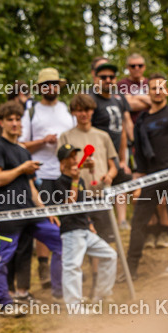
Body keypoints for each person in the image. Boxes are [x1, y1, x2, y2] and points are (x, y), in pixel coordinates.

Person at [0, 101, 64, 307]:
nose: (14, 123)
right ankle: (6, 303)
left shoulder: (23, 151)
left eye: (18, 119)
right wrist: (21, 168)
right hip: (7, 212)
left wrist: (46, 211)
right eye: (9, 119)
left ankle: (60, 293)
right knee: (1, 261)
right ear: (1, 123)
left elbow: (32, 188)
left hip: (31, 210)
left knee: (62, 242)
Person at [127, 74, 168, 279]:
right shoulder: (142, 121)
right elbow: (139, 156)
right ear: (148, 92)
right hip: (150, 178)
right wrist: (138, 183)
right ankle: (130, 271)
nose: (157, 91)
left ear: (166, 91)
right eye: (153, 88)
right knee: (138, 222)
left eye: (161, 88)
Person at [52, 145, 118, 308]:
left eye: (75, 155)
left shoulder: (80, 180)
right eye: (70, 157)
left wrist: (89, 223)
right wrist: (74, 181)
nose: (75, 159)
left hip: (84, 229)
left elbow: (83, 204)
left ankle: (100, 295)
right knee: (72, 267)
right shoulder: (58, 182)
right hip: (71, 230)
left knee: (109, 255)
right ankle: (74, 308)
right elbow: (69, 205)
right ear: (63, 162)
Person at [59, 93, 120, 242]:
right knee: (80, 242)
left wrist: (109, 176)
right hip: (79, 198)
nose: (83, 114)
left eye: (87, 110)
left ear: (92, 110)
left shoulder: (103, 136)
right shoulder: (66, 137)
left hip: (100, 195)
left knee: (105, 240)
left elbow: (113, 166)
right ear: (73, 112)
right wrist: (80, 166)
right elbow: (62, 168)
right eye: (79, 110)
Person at [19, 68, 75, 203]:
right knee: (45, 219)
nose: (50, 88)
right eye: (46, 84)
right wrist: (43, 141)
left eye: (54, 84)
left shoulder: (67, 111)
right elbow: (21, 147)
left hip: (67, 175)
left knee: (68, 217)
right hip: (41, 175)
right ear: (39, 88)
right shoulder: (31, 113)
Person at [90, 58, 133, 227]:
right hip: (98, 154)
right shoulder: (90, 99)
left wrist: (123, 159)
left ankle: (122, 220)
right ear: (95, 77)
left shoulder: (118, 98)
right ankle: (102, 223)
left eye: (111, 77)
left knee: (121, 184)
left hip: (115, 152)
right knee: (100, 187)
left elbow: (122, 130)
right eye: (103, 77)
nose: (108, 80)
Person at [117, 53, 152, 125]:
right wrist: (148, 101)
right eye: (133, 66)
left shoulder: (151, 83)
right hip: (132, 126)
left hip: (150, 124)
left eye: (140, 65)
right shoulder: (122, 84)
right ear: (128, 68)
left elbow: (157, 102)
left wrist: (135, 97)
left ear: (144, 67)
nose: (137, 68)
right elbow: (129, 105)